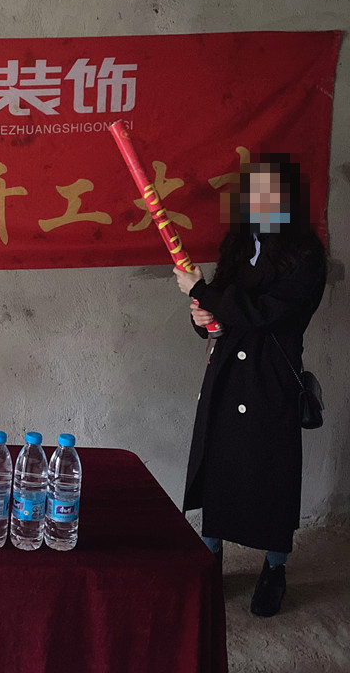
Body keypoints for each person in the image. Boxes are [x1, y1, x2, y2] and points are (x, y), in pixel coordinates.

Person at [174, 154, 326, 618]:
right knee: (219, 472)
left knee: (272, 480)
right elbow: (222, 308)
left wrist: (201, 292)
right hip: (226, 376)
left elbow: (264, 315)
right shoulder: (239, 243)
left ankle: (274, 569)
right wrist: (203, 317)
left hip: (270, 380)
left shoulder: (306, 255)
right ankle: (211, 560)